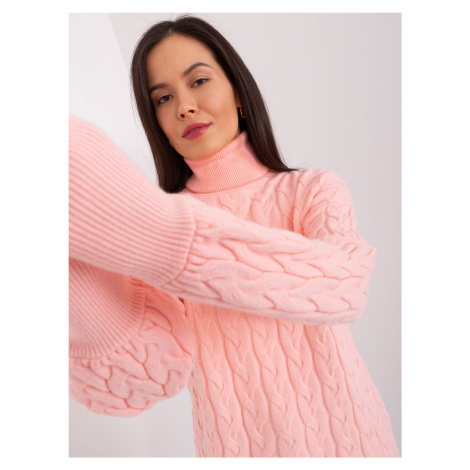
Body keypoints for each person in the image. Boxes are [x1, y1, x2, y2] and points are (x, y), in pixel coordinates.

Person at [69, 15, 399, 457]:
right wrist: (71, 267)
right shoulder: (151, 229)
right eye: (163, 98)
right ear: (156, 123)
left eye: (198, 81)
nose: (184, 106)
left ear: (239, 92)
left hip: (353, 443)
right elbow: (142, 381)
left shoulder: (312, 191)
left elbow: (346, 286)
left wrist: (168, 238)